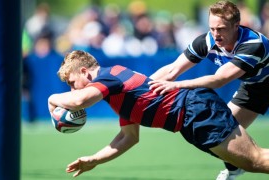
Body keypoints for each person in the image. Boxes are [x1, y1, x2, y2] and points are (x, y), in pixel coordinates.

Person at [48, 50, 269, 178]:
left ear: (85, 72)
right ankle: (233, 164)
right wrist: (94, 160)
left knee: (254, 160)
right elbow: (129, 137)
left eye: (71, 83)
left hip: (196, 110)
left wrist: (52, 100)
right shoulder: (115, 93)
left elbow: (79, 101)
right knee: (247, 161)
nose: (72, 89)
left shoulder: (109, 77)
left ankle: (235, 164)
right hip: (189, 118)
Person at [148, 1, 269, 179]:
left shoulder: (252, 43)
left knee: (247, 152)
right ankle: (235, 166)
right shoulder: (207, 40)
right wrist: (140, 87)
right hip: (255, 87)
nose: (215, 34)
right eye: (212, 28)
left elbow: (219, 79)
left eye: (221, 29)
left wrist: (177, 85)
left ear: (236, 26)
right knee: (219, 134)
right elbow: (172, 70)